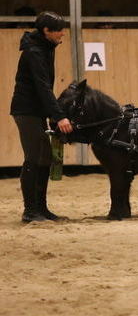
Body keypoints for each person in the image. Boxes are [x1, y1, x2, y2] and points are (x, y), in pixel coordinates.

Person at [10, 11, 73, 223]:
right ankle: (30, 211)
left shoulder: (46, 47)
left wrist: (52, 114)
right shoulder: (34, 51)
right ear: (46, 31)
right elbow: (42, 87)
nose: (62, 34)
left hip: (36, 110)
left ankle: (41, 208)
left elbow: (45, 88)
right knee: (34, 157)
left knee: (44, 157)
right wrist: (59, 116)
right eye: (59, 30)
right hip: (26, 110)